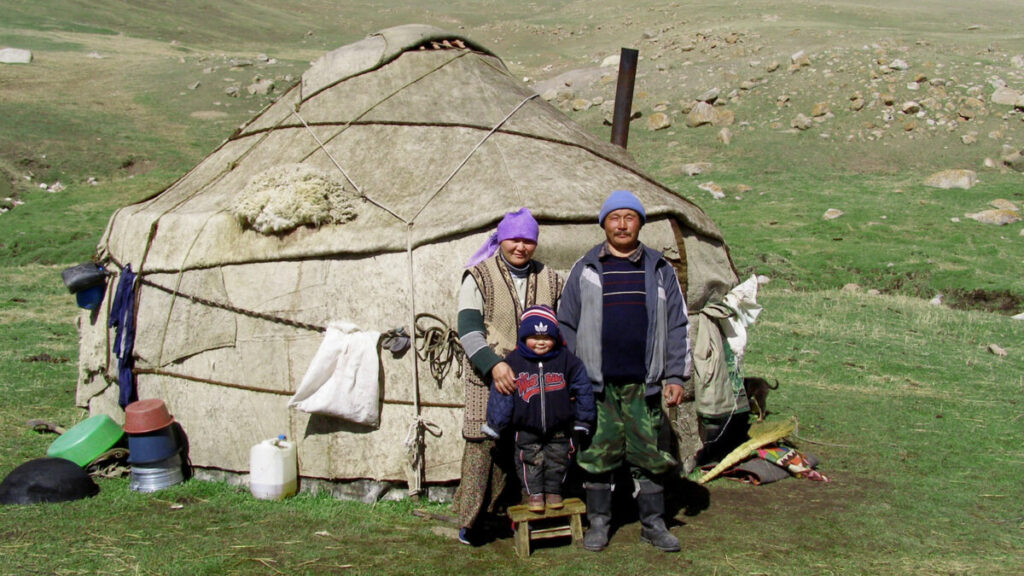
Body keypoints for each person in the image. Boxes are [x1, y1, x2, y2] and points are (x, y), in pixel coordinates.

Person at [556, 189, 692, 553]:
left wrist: (676, 375)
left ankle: (653, 523)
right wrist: (575, 374)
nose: (621, 224)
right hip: (597, 385)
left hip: (644, 383)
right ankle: (599, 523)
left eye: (629, 217)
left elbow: (678, 324)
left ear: (640, 224)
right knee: (598, 454)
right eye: (614, 218)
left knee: (648, 453)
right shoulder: (585, 268)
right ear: (603, 224)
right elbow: (565, 323)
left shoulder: (660, 269)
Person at [453, 208, 562, 545]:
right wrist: (493, 365)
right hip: (488, 376)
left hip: (536, 381)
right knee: (482, 448)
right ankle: (469, 521)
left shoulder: (552, 278)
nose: (521, 247)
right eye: (515, 239)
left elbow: (564, 328)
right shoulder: (478, 276)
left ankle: (513, 517)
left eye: (529, 240)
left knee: (528, 445)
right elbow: (467, 329)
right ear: (501, 238)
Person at [481, 305, 595, 513]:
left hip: (560, 426)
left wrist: (583, 420)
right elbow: (502, 393)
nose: (541, 342)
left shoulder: (567, 360)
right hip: (526, 428)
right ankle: (534, 493)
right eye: (534, 336)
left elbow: (583, 388)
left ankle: (554, 491)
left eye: (546, 337)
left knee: (559, 459)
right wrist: (495, 424)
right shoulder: (513, 362)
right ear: (524, 336)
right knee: (529, 460)